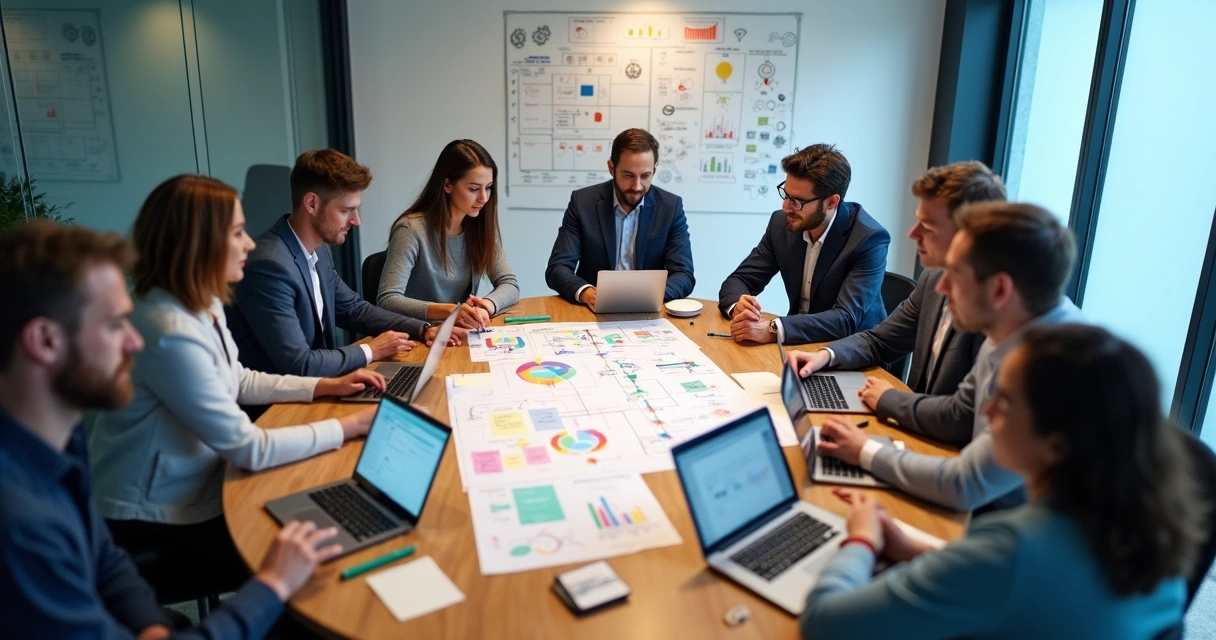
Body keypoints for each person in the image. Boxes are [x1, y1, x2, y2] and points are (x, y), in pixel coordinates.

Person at [0, 221, 345, 639]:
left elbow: (105, 559)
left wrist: (152, 627)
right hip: (159, 521)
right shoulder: (22, 527)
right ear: (45, 340)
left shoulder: (56, 441)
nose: (134, 342)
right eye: (114, 325)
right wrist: (271, 585)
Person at [801, 324, 1208, 639]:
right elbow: (1031, 591)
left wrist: (862, 540)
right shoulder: (1151, 527)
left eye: (1006, 400)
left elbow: (824, 623)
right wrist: (922, 552)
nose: (988, 409)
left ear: (1057, 444)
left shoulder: (1012, 550)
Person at [89, 175, 382, 603]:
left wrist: (325, 385)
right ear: (197, 243)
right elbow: (249, 448)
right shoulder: (168, 330)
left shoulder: (199, 302)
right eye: (237, 233)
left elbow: (238, 378)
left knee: (313, 507)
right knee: (318, 555)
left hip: (200, 481)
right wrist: (351, 426)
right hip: (153, 521)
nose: (249, 244)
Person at [813, 202, 1083, 512]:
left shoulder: (1052, 365)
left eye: (954, 274)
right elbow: (967, 409)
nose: (941, 286)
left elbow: (964, 484)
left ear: (999, 289)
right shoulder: (1009, 327)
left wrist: (865, 451)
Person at [787, 162, 1005, 435]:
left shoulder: (997, 308)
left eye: (928, 226)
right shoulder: (933, 278)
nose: (912, 234)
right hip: (914, 429)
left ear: (968, 234)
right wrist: (824, 356)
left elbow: (964, 418)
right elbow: (879, 341)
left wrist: (890, 400)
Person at [227, 149, 463, 379]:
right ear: (311, 203)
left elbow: (353, 309)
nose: (356, 220)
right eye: (346, 210)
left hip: (318, 385)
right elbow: (299, 364)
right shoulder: (269, 265)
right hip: (277, 409)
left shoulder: (318, 249)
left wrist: (423, 329)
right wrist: (372, 350)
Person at [718, 143, 890, 345]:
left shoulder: (868, 239)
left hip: (852, 351)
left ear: (832, 202)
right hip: (799, 344)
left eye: (797, 201)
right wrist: (739, 304)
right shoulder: (782, 224)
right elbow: (740, 279)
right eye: (786, 194)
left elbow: (845, 319)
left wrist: (774, 328)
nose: (785, 207)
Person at [378, 140, 519, 330]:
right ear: (447, 185)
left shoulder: (479, 226)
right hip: (418, 334)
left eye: (488, 187)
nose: (484, 198)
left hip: (458, 332)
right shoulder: (411, 230)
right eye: (473, 189)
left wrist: (486, 306)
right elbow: (388, 300)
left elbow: (509, 283)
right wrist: (451, 311)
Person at [545, 128, 695, 308]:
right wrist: (586, 292)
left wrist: (650, 296)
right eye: (628, 175)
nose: (637, 186)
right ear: (611, 168)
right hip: (591, 310)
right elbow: (557, 268)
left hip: (648, 311)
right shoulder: (583, 203)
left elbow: (684, 274)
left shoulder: (670, 207)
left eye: (646, 176)